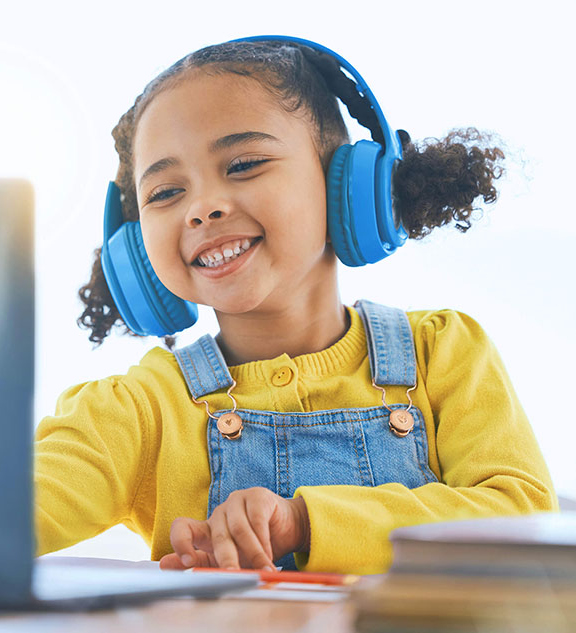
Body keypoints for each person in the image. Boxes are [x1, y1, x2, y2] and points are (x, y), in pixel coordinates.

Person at [34, 37, 558, 574]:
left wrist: (305, 522)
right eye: (165, 193)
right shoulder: (138, 411)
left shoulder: (443, 353)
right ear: (135, 248)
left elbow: (518, 519)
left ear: (348, 184)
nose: (202, 207)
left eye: (243, 164)